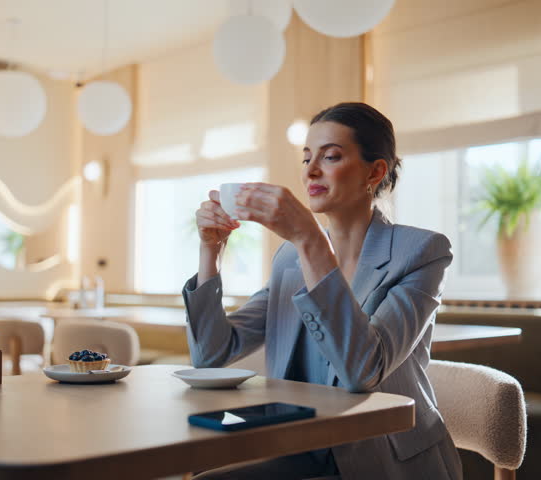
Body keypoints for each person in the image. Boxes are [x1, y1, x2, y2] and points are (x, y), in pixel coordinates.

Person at [184, 102, 462, 480]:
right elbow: (210, 354)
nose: (311, 170)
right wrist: (210, 250)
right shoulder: (289, 259)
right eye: (306, 158)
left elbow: (363, 372)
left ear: (375, 171)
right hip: (303, 448)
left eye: (330, 156)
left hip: (383, 460)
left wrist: (308, 238)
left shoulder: (421, 253)